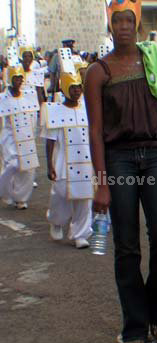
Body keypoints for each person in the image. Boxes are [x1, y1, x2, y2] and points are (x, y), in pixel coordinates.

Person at [84, 0, 157, 343]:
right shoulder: (98, 72)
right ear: (110, 25)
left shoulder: (154, 60)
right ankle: (134, 325)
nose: (124, 27)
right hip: (119, 161)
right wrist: (102, 182)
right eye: (118, 21)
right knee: (127, 246)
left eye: (129, 20)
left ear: (137, 22)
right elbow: (96, 130)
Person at [41, 64, 92, 249]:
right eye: (73, 87)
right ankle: (55, 220)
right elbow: (49, 141)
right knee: (60, 195)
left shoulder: (88, 108)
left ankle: (80, 233)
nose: (77, 91)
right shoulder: (54, 111)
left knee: (85, 198)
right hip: (64, 161)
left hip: (86, 161)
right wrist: (50, 165)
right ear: (64, 89)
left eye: (79, 87)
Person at [0, 61, 39, 210]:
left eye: (20, 78)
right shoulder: (3, 98)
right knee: (13, 165)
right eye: (16, 78)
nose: (19, 81)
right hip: (10, 136)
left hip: (26, 135)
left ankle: (21, 198)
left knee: (28, 169)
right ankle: (5, 190)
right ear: (10, 79)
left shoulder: (28, 96)